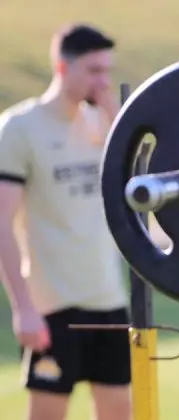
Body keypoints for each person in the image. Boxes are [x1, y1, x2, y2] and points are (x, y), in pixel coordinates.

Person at [0, 24, 131, 420]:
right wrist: (23, 307)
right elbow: (1, 222)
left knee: (118, 413)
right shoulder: (20, 128)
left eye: (106, 71)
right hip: (52, 306)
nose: (102, 81)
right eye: (93, 71)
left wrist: (115, 117)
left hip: (109, 301)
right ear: (62, 66)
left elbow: (143, 180)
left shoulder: (103, 124)